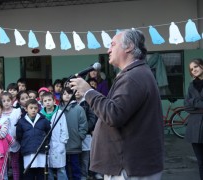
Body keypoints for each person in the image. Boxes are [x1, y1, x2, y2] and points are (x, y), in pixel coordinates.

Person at [70, 29, 164, 180]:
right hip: (132, 165)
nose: (108, 50)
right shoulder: (137, 73)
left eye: (113, 45)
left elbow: (114, 114)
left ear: (129, 47)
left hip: (128, 167)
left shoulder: (133, 77)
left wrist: (88, 92)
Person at [16, 99, 51, 180]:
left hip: (41, 151)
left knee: (41, 174)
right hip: (28, 152)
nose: (33, 110)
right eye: (31, 108)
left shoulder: (44, 120)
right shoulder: (21, 122)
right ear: (26, 109)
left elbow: (49, 133)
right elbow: (19, 136)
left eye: (35, 108)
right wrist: (25, 144)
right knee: (29, 174)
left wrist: (44, 144)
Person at [59, 87, 87, 180]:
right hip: (62, 144)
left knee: (75, 165)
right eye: (64, 93)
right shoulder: (58, 109)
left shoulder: (79, 108)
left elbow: (83, 124)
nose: (67, 95)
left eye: (69, 93)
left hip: (75, 142)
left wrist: (80, 136)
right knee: (64, 166)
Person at [40, 92, 69, 180]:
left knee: (61, 169)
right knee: (48, 169)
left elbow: (64, 128)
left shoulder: (60, 113)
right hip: (46, 145)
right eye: (45, 101)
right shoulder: (41, 115)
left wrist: (62, 142)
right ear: (42, 103)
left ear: (54, 101)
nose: (47, 102)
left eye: (49, 100)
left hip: (58, 144)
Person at [184, 58, 203, 180]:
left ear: (201, 66)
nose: (194, 70)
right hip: (195, 129)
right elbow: (186, 106)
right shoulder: (191, 86)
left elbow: (191, 103)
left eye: (195, 67)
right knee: (201, 162)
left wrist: (194, 103)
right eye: (191, 69)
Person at [75, 90, 97, 180]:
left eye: (79, 90)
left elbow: (92, 118)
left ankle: (84, 176)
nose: (77, 92)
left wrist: (84, 130)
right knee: (75, 157)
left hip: (86, 134)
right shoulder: (70, 103)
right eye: (74, 91)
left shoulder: (87, 102)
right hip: (73, 135)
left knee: (85, 158)